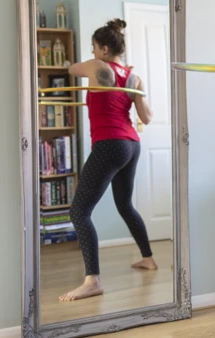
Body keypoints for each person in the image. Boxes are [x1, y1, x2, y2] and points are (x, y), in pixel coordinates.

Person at [59, 18, 157, 302]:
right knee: (125, 204)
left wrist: (93, 64)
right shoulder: (132, 78)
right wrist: (136, 85)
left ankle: (93, 281)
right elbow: (147, 118)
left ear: (103, 48)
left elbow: (70, 68)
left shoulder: (96, 67)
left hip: (110, 144)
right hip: (131, 145)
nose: (92, 53)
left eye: (93, 47)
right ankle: (148, 258)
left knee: (79, 212)